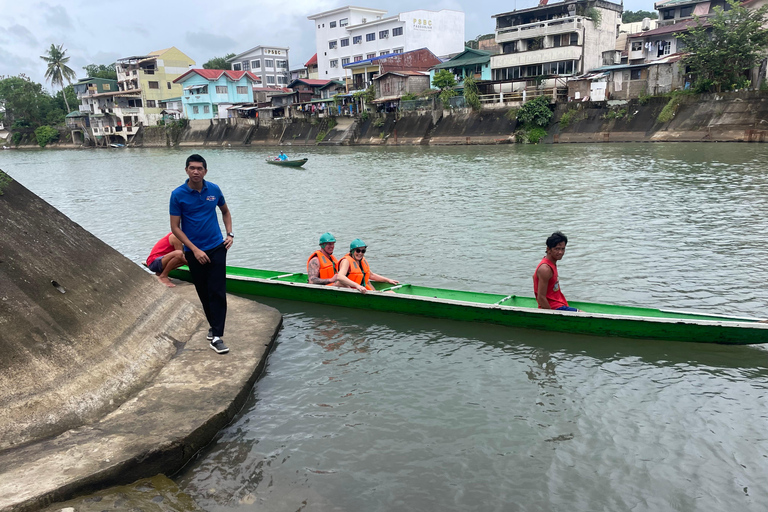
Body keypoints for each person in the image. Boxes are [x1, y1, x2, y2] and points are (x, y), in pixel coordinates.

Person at [170, 154, 234, 354]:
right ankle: (213, 326)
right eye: (192, 168)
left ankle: (216, 336)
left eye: (199, 168)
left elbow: (225, 211)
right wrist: (194, 249)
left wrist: (230, 234)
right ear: (186, 170)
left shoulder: (214, 190)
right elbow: (175, 227)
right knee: (204, 292)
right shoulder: (178, 194)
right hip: (193, 251)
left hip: (216, 247)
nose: (195, 171)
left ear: (205, 171)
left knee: (217, 291)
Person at [533, 231, 578, 312]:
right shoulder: (545, 269)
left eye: (563, 249)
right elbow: (541, 297)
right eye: (557, 249)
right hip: (555, 308)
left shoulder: (552, 264)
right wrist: (552, 316)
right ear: (548, 249)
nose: (560, 252)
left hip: (559, 304)